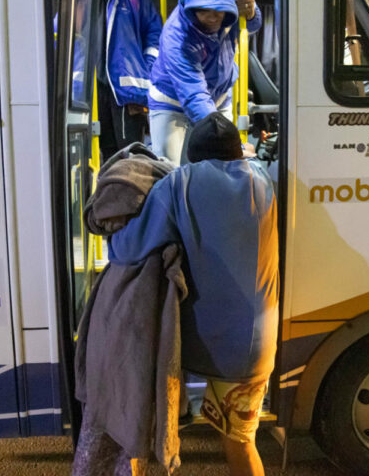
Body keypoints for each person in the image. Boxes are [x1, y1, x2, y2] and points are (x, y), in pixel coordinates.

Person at [109, 113, 279, 476]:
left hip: (191, 346)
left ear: (193, 156)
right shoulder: (264, 179)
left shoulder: (180, 183)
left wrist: (112, 232)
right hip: (255, 349)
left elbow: (129, 248)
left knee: (141, 425)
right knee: (241, 443)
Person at [148, 0, 262, 164]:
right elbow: (194, 96)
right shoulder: (177, 37)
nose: (212, 17)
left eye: (218, 11)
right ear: (192, 7)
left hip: (219, 97)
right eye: (203, 11)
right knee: (168, 169)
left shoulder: (233, 0)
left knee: (225, 166)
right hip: (172, 101)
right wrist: (233, 144)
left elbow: (251, 25)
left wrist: (252, 13)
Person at [97, 0, 163, 161]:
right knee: (101, 156)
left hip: (127, 90)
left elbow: (155, 33)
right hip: (91, 89)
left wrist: (147, 69)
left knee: (130, 156)